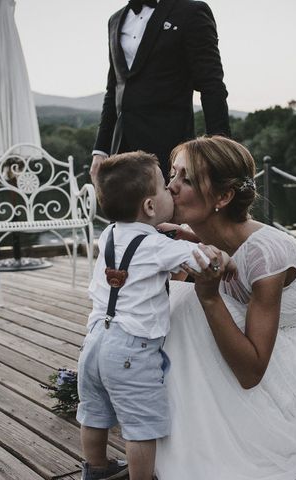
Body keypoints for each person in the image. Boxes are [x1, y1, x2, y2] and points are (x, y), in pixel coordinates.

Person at [154, 136, 296, 479]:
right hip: (249, 350)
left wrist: (208, 295)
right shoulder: (187, 235)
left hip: (293, 372)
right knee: (176, 302)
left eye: (187, 179)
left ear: (224, 197)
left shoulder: (267, 254)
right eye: (172, 175)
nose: (171, 186)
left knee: (187, 303)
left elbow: (251, 372)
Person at [77, 151, 235, 480]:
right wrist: (222, 256)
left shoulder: (108, 235)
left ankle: (96, 469)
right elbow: (200, 259)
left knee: (93, 413)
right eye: (165, 187)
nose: (170, 191)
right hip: (131, 351)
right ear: (150, 206)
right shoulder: (156, 246)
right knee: (141, 426)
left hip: (94, 340)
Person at [90, 0, 231, 184]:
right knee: (126, 213)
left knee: (169, 212)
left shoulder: (191, 12)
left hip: (170, 149)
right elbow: (114, 88)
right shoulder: (115, 20)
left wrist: (220, 149)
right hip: (122, 150)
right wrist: (100, 150)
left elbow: (211, 84)